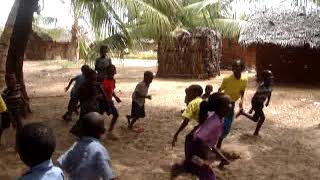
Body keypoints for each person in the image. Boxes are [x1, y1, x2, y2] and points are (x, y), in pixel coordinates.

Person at [171, 93, 231, 180]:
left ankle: (183, 167)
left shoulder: (219, 119)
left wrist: (221, 157)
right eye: (227, 104)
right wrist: (206, 156)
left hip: (193, 145)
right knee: (208, 175)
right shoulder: (214, 122)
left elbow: (209, 143)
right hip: (194, 148)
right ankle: (183, 167)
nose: (230, 106)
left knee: (198, 168)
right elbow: (199, 139)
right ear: (220, 108)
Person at [58, 112, 116, 180]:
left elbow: (63, 165)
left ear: (82, 130)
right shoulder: (100, 150)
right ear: (102, 132)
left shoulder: (75, 145)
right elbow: (108, 176)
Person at [216, 59, 247, 149]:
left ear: (242, 68)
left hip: (231, 104)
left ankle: (218, 143)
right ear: (232, 68)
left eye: (239, 66)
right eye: (235, 67)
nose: (237, 68)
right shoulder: (227, 79)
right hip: (223, 104)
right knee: (218, 124)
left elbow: (242, 91)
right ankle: (216, 144)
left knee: (226, 127)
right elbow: (220, 90)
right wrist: (217, 101)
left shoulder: (244, 80)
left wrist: (242, 101)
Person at [236, 70, 273, 136]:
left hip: (260, 103)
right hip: (256, 103)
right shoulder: (261, 87)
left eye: (271, 78)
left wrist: (268, 101)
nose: (270, 79)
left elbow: (269, 93)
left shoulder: (270, 85)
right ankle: (256, 133)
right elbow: (255, 97)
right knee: (262, 118)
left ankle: (242, 113)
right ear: (264, 79)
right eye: (269, 78)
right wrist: (252, 108)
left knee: (255, 119)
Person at [2, 74, 25, 148]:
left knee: (20, 128)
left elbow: (20, 94)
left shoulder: (18, 87)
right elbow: (5, 106)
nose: (13, 81)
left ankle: (18, 145)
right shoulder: (6, 92)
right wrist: (11, 119)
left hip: (17, 111)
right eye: (10, 80)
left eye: (13, 78)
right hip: (8, 113)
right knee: (3, 127)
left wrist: (24, 101)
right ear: (6, 82)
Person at [101, 65, 121, 139]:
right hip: (103, 102)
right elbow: (101, 93)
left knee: (115, 115)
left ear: (115, 71)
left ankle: (110, 131)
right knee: (99, 116)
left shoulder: (113, 80)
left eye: (113, 71)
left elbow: (111, 91)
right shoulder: (104, 82)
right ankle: (102, 132)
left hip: (109, 101)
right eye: (110, 71)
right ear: (107, 72)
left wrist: (115, 97)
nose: (112, 72)